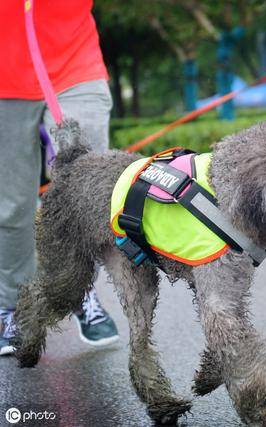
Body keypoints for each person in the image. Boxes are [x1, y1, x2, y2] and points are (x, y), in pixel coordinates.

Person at [0, 0, 119, 355]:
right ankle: (12, 307)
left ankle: (78, 290)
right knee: (11, 206)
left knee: (86, 193)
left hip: (74, 66)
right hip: (4, 81)